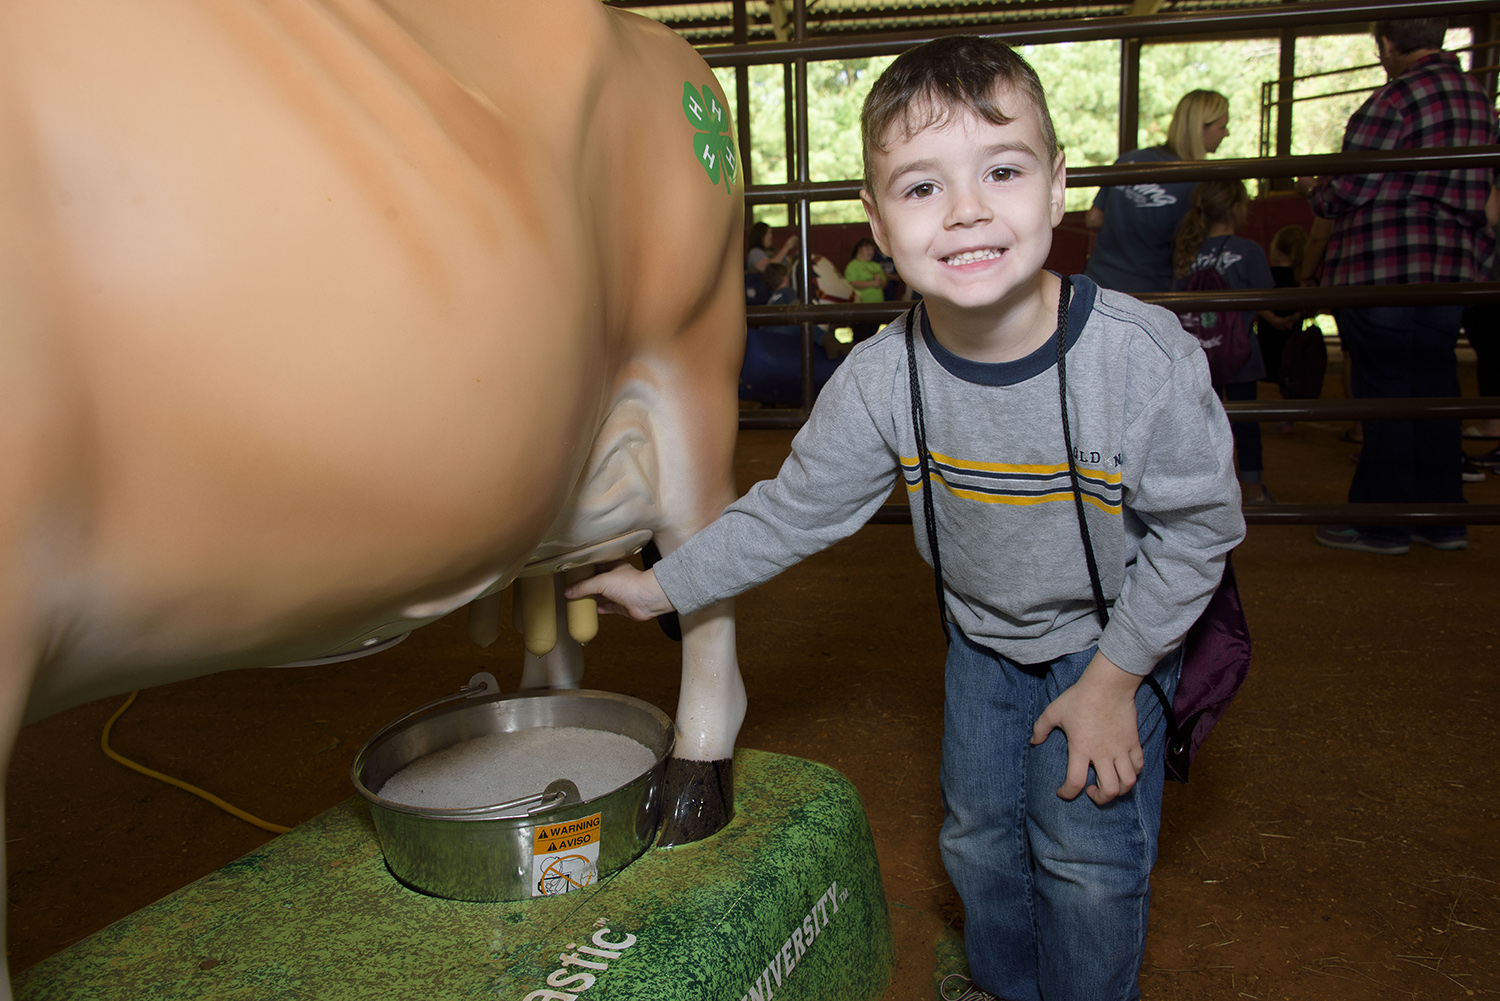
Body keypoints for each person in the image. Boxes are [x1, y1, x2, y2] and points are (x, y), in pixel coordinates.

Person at [567, 35, 1243, 1001]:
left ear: (1057, 188)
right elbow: (793, 509)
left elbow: (1198, 532)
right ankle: (1004, 986)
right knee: (979, 843)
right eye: (923, 188)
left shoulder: (1142, 363)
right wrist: (661, 580)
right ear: (877, 224)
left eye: (1001, 171)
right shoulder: (885, 378)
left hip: (1110, 644)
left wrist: (1117, 678)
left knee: (1087, 862)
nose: (968, 209)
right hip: (979, 644)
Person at [1295, 16, 1496, 555]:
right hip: (1451, 268)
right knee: (1436, 385)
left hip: (1382, 265)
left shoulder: (1393, 100)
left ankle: (1383, 523)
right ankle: (1443, 517)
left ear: (1386, 44)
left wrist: (1317, 188)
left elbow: (1348, 188)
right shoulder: (1479, 100)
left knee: (1384, 388)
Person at [1173, 180, 1300, 504]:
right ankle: (1253, 487)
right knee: (1245, 418)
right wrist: (1276, 318)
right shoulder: (1249, 251)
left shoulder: (1187, 251)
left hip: (1198, 354)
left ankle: (1200, 490)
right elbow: (1260, 300)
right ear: (1236, 208)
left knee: (1199, 420)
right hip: (1240, 353)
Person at [1084, 89, 1231, 294]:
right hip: (1152, 295)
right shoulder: (1200, 181)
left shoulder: (1130, 159)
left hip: (1098, 285)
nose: (1227, 133)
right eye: (1222, 126)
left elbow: (1093, 218)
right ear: (1202, 128)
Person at [843, 236, 889, 343]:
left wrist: (879, 282)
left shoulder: (875, 265)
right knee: (861, 337)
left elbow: (884, 282)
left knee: (872, 337)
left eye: (872, 249)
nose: (871, 252)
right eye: (867, 249)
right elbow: (851, 283)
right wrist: (873, 283)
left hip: (877, 307)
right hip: (861, 308)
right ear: (859, 249)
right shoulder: (853, 265)